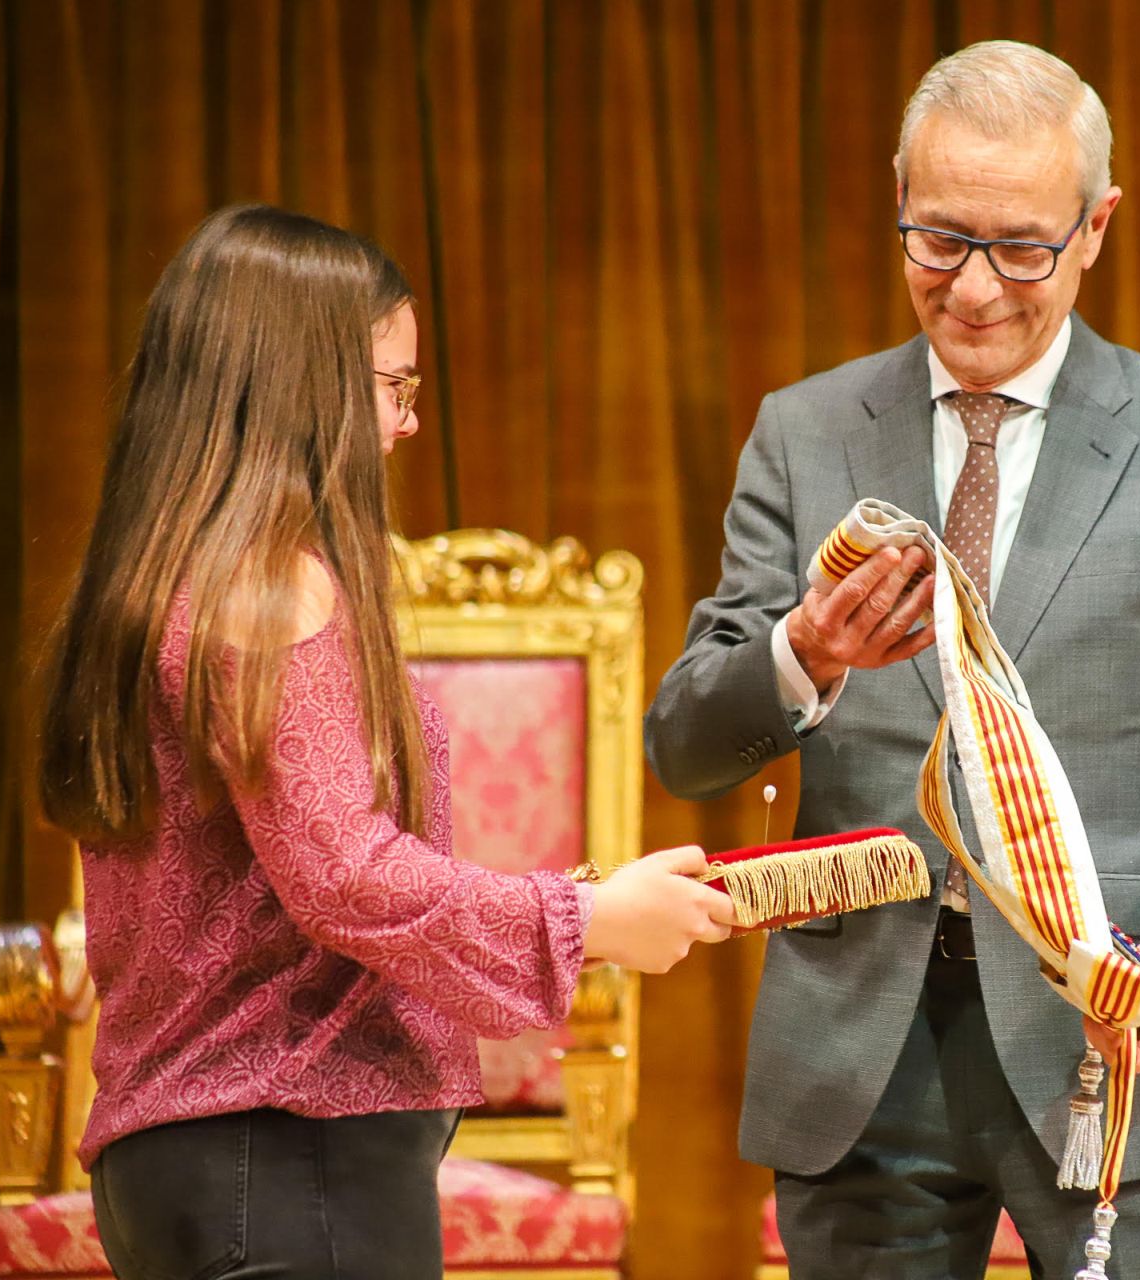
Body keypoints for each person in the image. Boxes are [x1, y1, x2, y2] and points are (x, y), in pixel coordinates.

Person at [646, 40, 1140, 1279]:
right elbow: (688, 748)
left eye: (1021, 246)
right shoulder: (805, 434)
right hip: (860, 1055)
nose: (973, 290)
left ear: (1096, 227)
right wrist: (799, 654)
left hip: (1108, 1043)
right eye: (938, 240)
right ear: (897, 201)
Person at [38, 204, 740, 1280]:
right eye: (393, 385)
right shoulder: (269, 578)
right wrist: (589, 918)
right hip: (283, 1153)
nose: (410, 422)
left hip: (179, 1161)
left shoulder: (160, 572)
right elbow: (344, 872)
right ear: (299, 380)